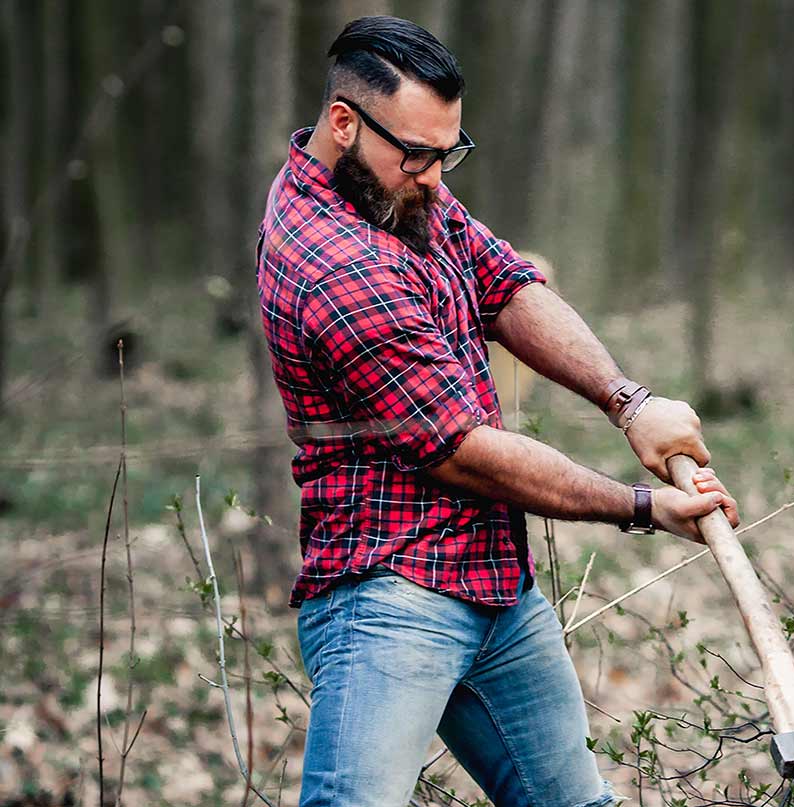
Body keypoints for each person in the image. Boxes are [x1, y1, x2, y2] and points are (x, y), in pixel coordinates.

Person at [255, 15, 741, 807]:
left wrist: (629, 403)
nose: (435, 177)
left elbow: (503, 282)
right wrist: (644, 506)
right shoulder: (332, 264)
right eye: (419, 154)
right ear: (343, 123)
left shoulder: (393, 183)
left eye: (448, 152)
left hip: (491, 583)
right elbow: (463, 450)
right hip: (389, 598)